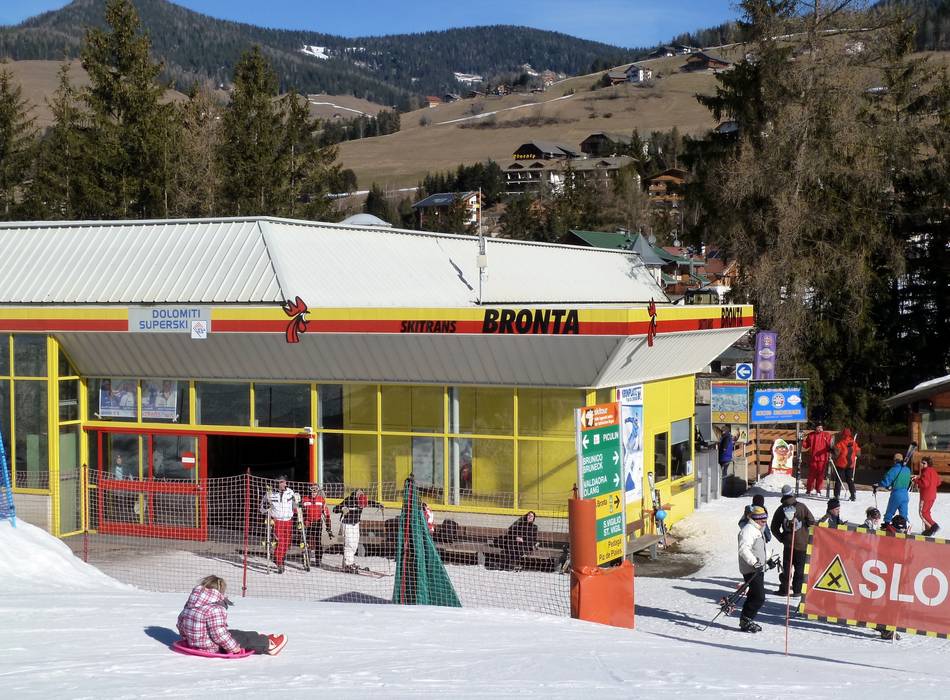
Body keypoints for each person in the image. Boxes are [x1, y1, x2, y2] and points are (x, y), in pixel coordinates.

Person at [177, 575, 285, 655]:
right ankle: (268, 644)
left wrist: (189, 639)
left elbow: (180, 625)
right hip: (211, 647)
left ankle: (258, 636)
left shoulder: (191, 604)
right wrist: (233, 648)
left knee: (235, 633)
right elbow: (219, 635)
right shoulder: (215, 609)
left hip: (194, 643)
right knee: (243, 639)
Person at [770, 485, 816, 596]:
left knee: (787, 568)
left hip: (788, 544)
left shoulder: (781, 510)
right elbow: (812, 521)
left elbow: (774, 527)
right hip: (802, 543)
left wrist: (782, 538)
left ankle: (784, 589)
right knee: (800, 568)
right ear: (792, 493)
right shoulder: (802, 507)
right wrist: (804, 526)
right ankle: (797, 590)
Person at [737, 505, 773, 633]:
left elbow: (759, 549)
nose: (765, 522)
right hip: (751, 569)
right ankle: (746, 620)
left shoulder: (757, 529)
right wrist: (755, 563)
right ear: (756, 519)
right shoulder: (748, 530)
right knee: (759, 597)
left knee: (754, 595)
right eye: (762, 520)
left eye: (765, 519)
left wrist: (768, 559)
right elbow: (743, 549)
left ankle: (745, 621)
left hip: (757, 568)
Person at [333, 488, 384, 574]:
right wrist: (342, 509)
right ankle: (348, 564)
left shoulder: (363, 499)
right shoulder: (349, 500)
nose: (361, 507)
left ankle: (347, 563)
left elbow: (370, 502)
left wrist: (379, 505)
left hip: (356, 524)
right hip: (347, 523)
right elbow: (335, 509)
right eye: (360, 505)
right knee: (349, 544)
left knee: (355, 544)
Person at [260, 476, 297, 574]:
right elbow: (262, 508)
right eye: (282, 482)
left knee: (287, 543)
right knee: (280, 542)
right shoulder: (270, 494)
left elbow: (294, 505)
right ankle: (279, 562)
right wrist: (265, 507)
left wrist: (298, 504)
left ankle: (278, 558)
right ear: (277, 483)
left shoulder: (290, 492)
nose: (284, 484)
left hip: (288, 520)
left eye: (285, 482)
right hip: (277, 521)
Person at [301, 485, 334, 567]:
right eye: (312, 491)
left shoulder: (321, 500)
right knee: (306, 542)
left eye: (315, 491)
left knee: (318, 542)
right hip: (308, 523)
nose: (313, 493)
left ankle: (318, 560)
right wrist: (302, 521)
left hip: (317, 523)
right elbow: (300, 512)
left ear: (318, 492)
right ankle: (306, 558)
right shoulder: (305, 499)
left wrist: (328, 527)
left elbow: (326, 514)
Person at [875, 453, 912, 527]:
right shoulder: (908, 470)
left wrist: (878, 485)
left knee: (891, 509)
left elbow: (886, 482)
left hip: (896, 493)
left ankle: (886, 523)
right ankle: (904, 524)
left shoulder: (894, 469)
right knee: (904, 511)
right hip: (905, 494)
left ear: (895, 460)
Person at [802, 423, 835, 495]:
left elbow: (830, 445)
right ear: (815, 428)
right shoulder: (811, 435)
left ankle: (818, 490)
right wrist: (802, 440)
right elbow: (806, 445)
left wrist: (831, 447)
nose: (820, 429)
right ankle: (809, 489)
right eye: (818, 427)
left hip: (822, 458)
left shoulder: (826, 435)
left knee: (820, 475)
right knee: (811, 475)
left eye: (821, 427)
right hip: (813, 458)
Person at [832, 428, 860, 501]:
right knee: (850, 480)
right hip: (850, 465)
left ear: (843, 435)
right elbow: (858, 452)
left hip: (841, 464)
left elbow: (836, 453)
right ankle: (853, 494)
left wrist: (832, 450)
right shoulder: (853, 443)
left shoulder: (841, 443)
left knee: (839, 480)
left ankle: (837, 495)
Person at [914, 456, 940, 537]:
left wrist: (916, 480)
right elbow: (938, 482)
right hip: (932, 495)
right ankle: (928, 530)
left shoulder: (926, 472)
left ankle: (933, 526)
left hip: (925, 496)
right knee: (927, 512)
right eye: (921, 462)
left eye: (924, 463)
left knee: (922, 513)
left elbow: (924, 484)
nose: (921, 464)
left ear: (928, 464)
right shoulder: (933, 471)